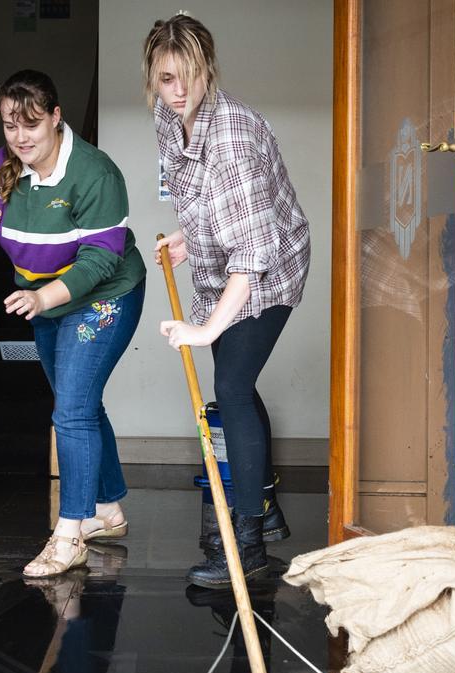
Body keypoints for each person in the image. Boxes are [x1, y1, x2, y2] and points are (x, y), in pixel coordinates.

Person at [0, 69, 145, 577]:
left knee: (70, 409)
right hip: (44, 298)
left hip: (103, 296)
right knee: (78, 402)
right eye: (10, 126)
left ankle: (69, 534)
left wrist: (41, 296)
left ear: (56, 117)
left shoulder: (95, 173)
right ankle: (107, 510)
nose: (21, 138)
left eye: (31, 124)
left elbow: (99, 261)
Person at [144, 15, 311, 589]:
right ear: (154, 79)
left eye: (189, 76)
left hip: (270, 266)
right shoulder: (169, 120)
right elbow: (209, 206)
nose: (180, 90)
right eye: (167, 78)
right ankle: (261, 510)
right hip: (226, 263)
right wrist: (185, 239)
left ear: (208, 69)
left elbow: (253, 251)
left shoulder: (236, 133)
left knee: (231, 388)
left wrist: (206, 329)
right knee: (237, 387)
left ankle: (247, 546)